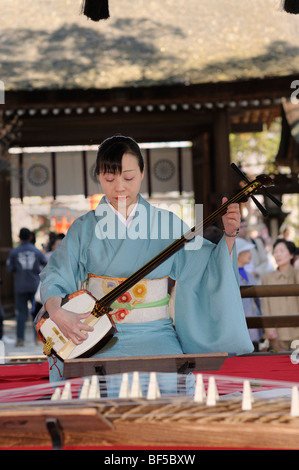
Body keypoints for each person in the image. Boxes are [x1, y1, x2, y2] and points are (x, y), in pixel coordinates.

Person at [39, 135, 253, 385]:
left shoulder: (168, 223)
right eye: (110, 178)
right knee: (97, 388)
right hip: (98, 337)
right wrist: (56, 311)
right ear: (99, 176)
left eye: (128, 177)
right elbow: (56, 275)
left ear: (142, 174)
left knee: (172, 384)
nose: (119, 187)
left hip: (156, 334)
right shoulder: (83, 228)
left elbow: (206, 267)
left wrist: (229, 235)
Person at [6, 227, 47, 346]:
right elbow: (45, 264)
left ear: (19, 237)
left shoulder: (14, 252)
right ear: (30, 237)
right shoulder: (36, 251)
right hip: (34, 285)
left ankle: (20, 339)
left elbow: (9, 269)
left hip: (20, 285)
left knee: (21, 313)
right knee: (36, 313)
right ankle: (38, 338)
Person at [261, 238, 299, 351]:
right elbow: (265, 306)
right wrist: (269, 329)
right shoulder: (267, 278)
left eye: (282, 251)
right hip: (277, 333)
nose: (278, 255)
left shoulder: (296, 274)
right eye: (275, 252)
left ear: (291, 255)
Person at [235, 238, 264, 351]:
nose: (249, 254)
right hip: (239, 330)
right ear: (238, 253)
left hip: (254, 328)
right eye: (246, 251)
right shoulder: (230, 275)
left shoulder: (250, 275)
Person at [238, 218, 272, 284]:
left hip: (256, 281)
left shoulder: (256, 242)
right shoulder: (232, 245)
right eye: (241, 227)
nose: (244, 229)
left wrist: (256, 272)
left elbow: (265, 261)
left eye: (245, 226)